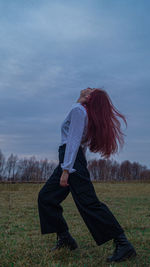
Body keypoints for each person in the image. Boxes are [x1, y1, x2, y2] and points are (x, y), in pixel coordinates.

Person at [38, 88, 137, 263]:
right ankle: (65, 238)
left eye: (91, 92)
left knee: (89, 203)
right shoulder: (83, 112)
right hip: (71, 160)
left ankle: (123, 244)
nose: (87, 91)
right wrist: (79, 99)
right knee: (46, 198)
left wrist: (67, 170)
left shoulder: (78, 111)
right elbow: (77, 140)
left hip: (71, 161)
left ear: (92, 99)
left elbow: (73, 141)